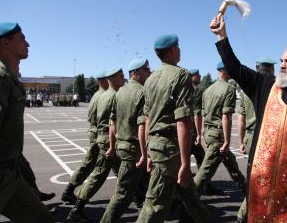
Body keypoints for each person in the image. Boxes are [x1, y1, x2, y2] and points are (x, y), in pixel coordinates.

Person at [210, 16, 287, 222]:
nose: (281, 65)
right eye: (281, 60)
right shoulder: (265, 86)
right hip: (260, 184)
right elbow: (235, 67)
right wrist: (222, 36)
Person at [0, 22, 53, 222]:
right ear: (5, 43)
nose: (28, 44)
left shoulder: (10, 78)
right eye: (22, 38)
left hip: (10, 174)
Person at [136, 34, 210, 223]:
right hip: (170, 151)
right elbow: (183, 121)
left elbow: (147, 119)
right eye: (178, 47)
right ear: (172, 51)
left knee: (193, 201)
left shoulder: (151, 79)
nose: (180, 49)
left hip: (157, 146)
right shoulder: (181, 75)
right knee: (154, 208)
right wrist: (185, 164)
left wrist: (148, 153)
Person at [67, 68, 124, 222]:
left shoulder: (103, 95)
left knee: (124, 173)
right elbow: (114, 122)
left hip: (102, 136)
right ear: (111, 79)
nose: (123, 78)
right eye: (121, 76)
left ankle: (139, 199)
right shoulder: (113, 96)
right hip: (108, 139)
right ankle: (77, 208)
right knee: (99, 174)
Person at [100, 58, 151, 222]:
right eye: (145, 69)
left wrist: (113, 147)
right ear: (135, 73)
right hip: (134, 151)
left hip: (123, 148)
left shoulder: (120, 92)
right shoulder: (142, 92)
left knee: (143, 186)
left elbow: (112, 123)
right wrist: (145, 154)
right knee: (123, 194)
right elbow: (142, 127)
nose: (149, 72)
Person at [194, 61, 246, 195]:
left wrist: (202, 134)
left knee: (231, 163)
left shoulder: (207, 90)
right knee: (205, 171)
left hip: (209, 133)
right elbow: (226, 117)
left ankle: (248, 191)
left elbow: (203, 114)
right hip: (218, 135)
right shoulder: (229, 89)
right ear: (224, 70)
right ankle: (188, 204)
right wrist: (227, 141)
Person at [236, 59, 275, 223]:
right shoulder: (273, 88)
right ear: (271, 71)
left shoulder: (246, 89)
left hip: (251, 136)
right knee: (264, 178)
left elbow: (241, 119)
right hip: (266, 137)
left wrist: (241, 141)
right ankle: (244, 214)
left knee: (255, 177)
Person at [61, 71, 109, 204]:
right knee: (94, 164)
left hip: (95, 131)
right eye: (107, 79)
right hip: (99, 132)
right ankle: (73, 194)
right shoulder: (103, 95)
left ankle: (70, 191)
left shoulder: (97, 95)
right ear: (102, 81)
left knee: (90, 163)